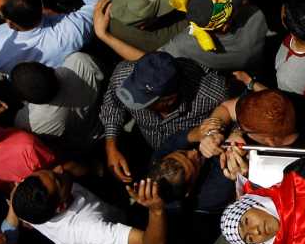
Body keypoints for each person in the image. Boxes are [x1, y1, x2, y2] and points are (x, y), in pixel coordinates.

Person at [99, 51, 232, 182]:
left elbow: (234, 115)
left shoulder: (212, 94)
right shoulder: (123, 77)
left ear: (169, 100)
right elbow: (113, 105)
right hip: (143, 144)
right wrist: (111, 146)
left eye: (143, 101)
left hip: (190, 163)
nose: (134, 99)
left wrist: (216, 134)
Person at [9, 170, 167, 244]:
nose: (59, 169)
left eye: (51, 171)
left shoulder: (22, 201)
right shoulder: (89, 228)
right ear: (61, 207)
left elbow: (15, 194)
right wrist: (156, 211)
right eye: (58, 179)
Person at [9, 56, 102, 147]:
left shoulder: (29, 124)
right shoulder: (79, 61)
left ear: (24, 101)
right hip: (106, 120)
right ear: (50, 68)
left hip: (89, 144)